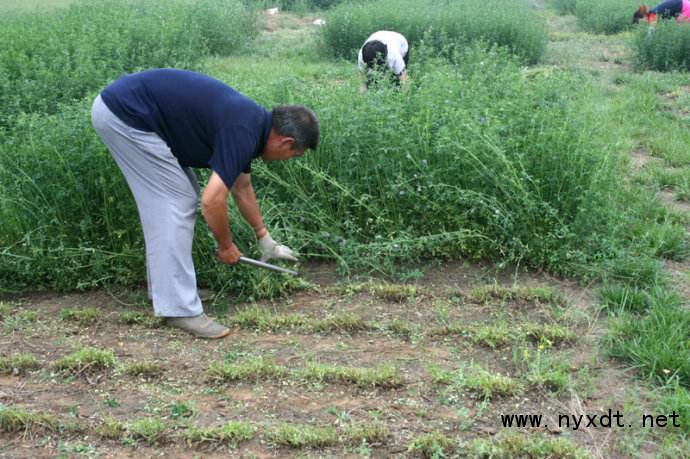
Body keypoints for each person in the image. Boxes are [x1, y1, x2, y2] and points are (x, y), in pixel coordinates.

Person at [91, 68, 319, 339]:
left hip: (133, 111)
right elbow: (211, 202)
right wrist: (226, 247)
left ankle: (171, 292)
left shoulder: (254, 126)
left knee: (179, 196)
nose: (289, 159)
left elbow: (242, 188)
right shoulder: (243, 130)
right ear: (286, 141)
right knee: (176, 200)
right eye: (294, 154)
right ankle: (179, 309)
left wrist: (265, 240)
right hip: (126, 115)